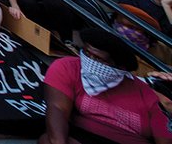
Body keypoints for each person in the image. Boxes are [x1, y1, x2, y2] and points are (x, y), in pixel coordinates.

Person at [41, 28, 171, 144]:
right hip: (84, 136)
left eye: (98, 59)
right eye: (87, 53)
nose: (90, 62)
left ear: (119, 67)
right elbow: (57, 108)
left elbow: (163, 135)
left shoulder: (145, 93)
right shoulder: (69, 67)